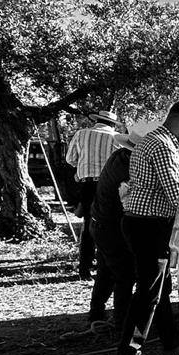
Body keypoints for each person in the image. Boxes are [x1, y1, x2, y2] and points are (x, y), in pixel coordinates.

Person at [119, 101, 179, 355]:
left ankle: (170, 344)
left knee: (159, 288)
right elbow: (174, 190)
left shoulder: (149, 140)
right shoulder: (164, 146)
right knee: (149, 290)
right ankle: (129, 353)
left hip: (140, 221)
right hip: (150, 224)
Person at [85, 133, 136, 335]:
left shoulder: (119, 157)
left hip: (100, 222)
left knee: (106, 271)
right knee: (125, 275)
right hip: (110, 226)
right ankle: (121, 321)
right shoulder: (128, 166)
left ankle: (97, 314)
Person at [66, 111, 121, 279]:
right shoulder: (116, 137)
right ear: (112, 124)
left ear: (96, 121)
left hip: (86, 184)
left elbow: (70, 159)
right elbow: (119, 163)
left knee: (89, 225)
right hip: (107, 185)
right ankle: (105, 265)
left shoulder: (81, 134)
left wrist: (82, 168)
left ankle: (84, 268)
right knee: (108, 224)